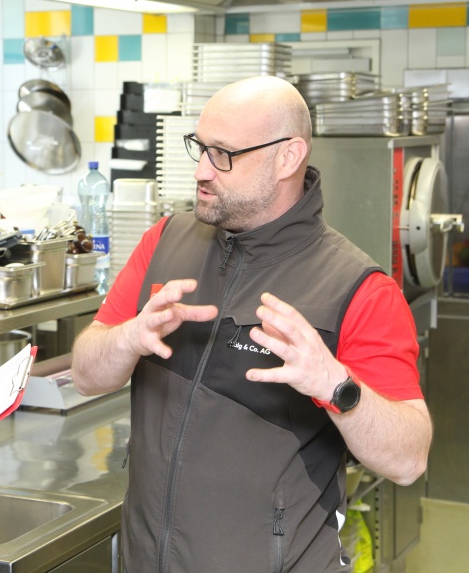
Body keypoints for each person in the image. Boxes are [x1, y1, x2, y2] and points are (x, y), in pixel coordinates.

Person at [71, 75, 432, 572]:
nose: (201, 170)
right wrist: (128, 337)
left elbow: (409, 459)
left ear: (287, 157)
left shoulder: (359, 289)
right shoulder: (165, 241)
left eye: (224, 154)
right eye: (199, 148)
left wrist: (335, 385)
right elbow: (87, 375)